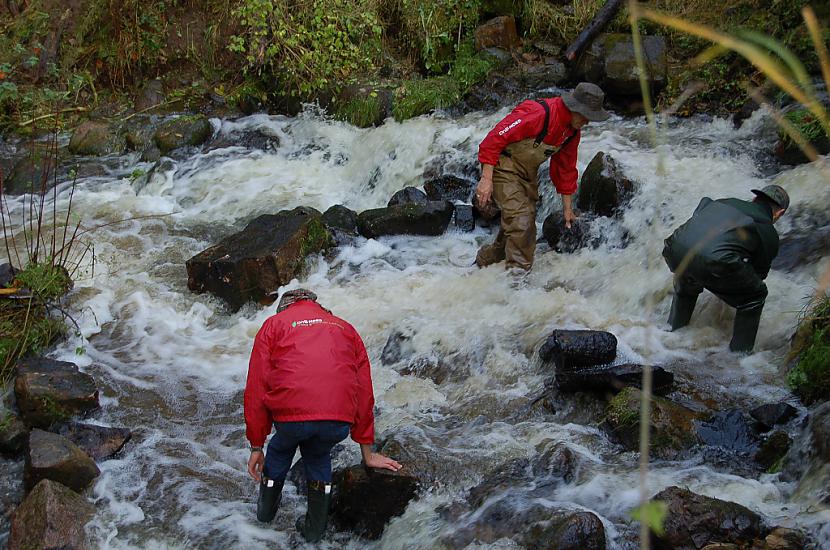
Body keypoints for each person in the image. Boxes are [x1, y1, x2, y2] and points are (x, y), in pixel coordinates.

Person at [244, 288, 401, 543]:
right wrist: (367, 452)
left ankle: (264, 517)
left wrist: (256, 444)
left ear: (285, 307)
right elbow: (364, 390)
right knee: (318, 455)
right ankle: (314, 532)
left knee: (280, 449)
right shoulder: (345, 328)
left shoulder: (273, 325)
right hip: (337, 422)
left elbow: (256, 388)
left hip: (291, 419)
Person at [474, 82, 610, 271]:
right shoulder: (538, 113)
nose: (588, 122)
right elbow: (494, 139)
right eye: (587, 116)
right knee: (522, 222)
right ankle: (516, 282)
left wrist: (567, 209)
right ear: (574, 107)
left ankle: (488, 260)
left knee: (520, 222)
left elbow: (565, 169)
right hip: (501, 166)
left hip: (526, 173)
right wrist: (486, 179)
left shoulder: (571, 133)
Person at [662, 185, 789, 353]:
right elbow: (759, 275)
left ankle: (672, 331)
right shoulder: (767, 229)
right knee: (756, 295)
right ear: (779, 213)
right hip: (714, 260)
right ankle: (739, 356)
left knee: (688, 277)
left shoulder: (723, 202)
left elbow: (697, 220)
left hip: (674, 247)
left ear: (754, 199)